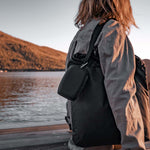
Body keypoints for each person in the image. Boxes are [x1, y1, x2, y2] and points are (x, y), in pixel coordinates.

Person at [65, 0, 146, 149]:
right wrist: (134, 144)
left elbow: (71, 90)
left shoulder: (79, 36)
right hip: (105, 139)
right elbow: (122, 93)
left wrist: (74, 128)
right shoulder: (112, 30)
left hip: (83, 136)